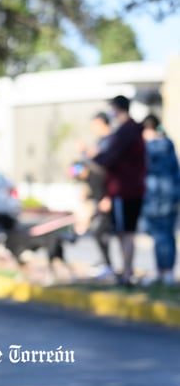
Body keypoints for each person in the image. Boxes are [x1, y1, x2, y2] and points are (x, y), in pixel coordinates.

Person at [91, 95, 146, 288]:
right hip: (132, 188)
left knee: (125, 233)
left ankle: (126, 274)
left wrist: (92, 157)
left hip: (124, 190)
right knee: (127, 232)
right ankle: (127, 272)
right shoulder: (132, 130)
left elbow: (109, 159)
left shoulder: (125, 132)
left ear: (118, 108)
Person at [140, 114, 180, 286]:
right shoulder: (168, 144)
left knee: (159, 236)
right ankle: (167, 273)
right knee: (167, 235)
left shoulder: (149, 147)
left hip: (155, 198)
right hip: (169, 196)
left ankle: (162, 272)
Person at [75, 112, 115, 279]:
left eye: (95, 124)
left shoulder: (112, 142)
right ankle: (106, 264)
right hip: (99, 195)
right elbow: (89, 166)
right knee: (99, 231)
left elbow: (111, 171)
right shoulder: (100, 142)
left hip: (109, 195)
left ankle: (110, 267)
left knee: (103, 231)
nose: (94, 128)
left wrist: (110, 196)